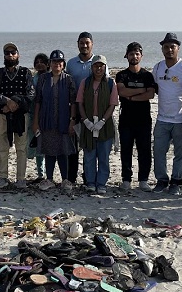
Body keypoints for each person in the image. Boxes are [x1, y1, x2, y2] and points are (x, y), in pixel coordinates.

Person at [152, 33, 182, 194]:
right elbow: (155, 88)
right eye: (166, 47)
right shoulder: (157, 67)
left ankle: (176, 182)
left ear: (178, 48)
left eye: (172, 47)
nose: (169, 50)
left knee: (180, 152)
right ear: (162, 49)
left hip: (181, 119)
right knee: (158, 151)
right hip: (162, 118)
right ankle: (161, 180)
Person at [0, 43, 35, 188]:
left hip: (20, 115)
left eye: (13, 52)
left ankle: (21, 178)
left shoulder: (26, 72)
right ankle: (2, 177)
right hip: (2, 115)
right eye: (7, 53)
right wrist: (7, 102)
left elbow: (31, 93)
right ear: (4, 55)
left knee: (21, 148)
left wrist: (15, 102)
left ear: (18, 55)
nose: (10, 55)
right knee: (3, 148)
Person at [33, 50, 77, 191]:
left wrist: (72, 121)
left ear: (63, 64)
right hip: (47, 119)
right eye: (54, 62)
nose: (57, 64)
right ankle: (49, 179)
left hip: (64, 120)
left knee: (63, 151)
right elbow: (38, 101)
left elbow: (73, 102)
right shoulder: (43, 79)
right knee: (49, 150)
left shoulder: (69, 80)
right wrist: (35, 121)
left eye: (59, 62)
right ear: (50, 64)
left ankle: (65, 179)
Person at [116, 42, 156, 192]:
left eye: (137, 54)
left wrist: (131, 95)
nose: (134, 56)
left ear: (141, 56)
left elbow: (150, 94)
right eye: (131, 54)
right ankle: (126, 179)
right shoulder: (122, 75)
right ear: (126, 55)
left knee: (144, 150)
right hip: (126, 118)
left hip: (144, 119)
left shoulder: (147, 75)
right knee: (126, 149)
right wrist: (140, 92)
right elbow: (121, 92)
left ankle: (143, 180)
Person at [77, 55, 118, 193]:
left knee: (103, 155)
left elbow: (112, 105)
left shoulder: (111, 83)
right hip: (88, 124)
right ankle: (90, 182)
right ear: (92, 67)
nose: (98, 68)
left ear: (105, 67)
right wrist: (85, 120)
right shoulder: (85, 82)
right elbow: (80, 103)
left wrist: (102, 121)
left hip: (105, 125)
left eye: (101, 66)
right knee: (89, 155)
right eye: (96, 65)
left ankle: (101, 183)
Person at [66, 32, 94, 185]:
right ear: (77, 44)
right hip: (74, 109)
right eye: (81, 42)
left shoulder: (98, 62)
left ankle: (88, 176)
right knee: (73, 145)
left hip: (92, 110)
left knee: (89, 145)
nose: (84, 45)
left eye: (87, 43)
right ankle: (71, 177)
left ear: (92, 44)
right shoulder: (70, 64)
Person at [28, 53, 49, 182]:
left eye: (43, 61)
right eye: (37, 61)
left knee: (48, 146)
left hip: (47, 116)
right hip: (33, 115)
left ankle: (48, 174)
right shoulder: (32, 79)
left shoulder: (50, 78)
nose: (40, 63)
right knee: (37, 146)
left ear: (48, 64)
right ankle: (41, 174)